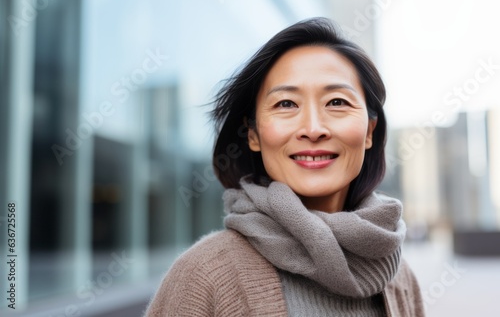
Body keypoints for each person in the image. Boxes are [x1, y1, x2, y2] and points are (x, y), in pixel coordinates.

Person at [144, 17, 425, 317]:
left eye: (337, 102)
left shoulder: (399, 278)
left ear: (369, 132)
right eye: (286, 104)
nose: (313, 129)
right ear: (253, 134)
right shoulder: (203, 276)